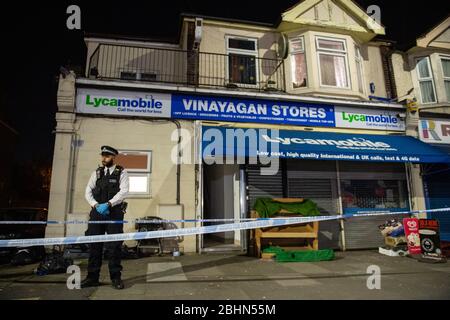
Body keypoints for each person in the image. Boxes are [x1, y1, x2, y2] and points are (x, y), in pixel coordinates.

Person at [81, 145, 129, 290]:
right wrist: (96, 205)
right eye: (102, 155)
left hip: (113, 213)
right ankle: (92, 277)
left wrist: (109, 204)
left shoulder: (122, 172)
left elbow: (124, 191)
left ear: (113, 157)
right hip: (97, 213)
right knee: (95, 245)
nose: (104, 158)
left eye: (107, 156)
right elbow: (87, 191)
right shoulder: (97, 172)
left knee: (114, 247)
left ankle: (116, 278)